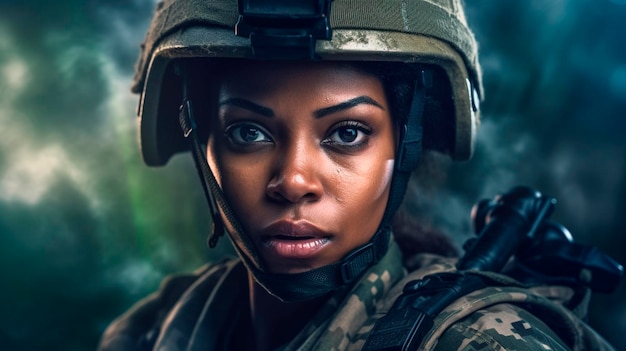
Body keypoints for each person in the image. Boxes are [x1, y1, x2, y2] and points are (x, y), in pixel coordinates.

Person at [98, 0, 621, 350]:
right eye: (248, 133)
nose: (294, 181)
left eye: (347, 133)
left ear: (405, 143)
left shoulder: (483, 341)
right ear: (201, 140)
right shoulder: (154, 330)